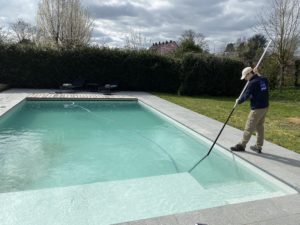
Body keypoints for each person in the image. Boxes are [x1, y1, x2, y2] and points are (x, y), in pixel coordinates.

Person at [230, 66, 269, 153]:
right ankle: (258, 146)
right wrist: (257, 73)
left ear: (249, 74)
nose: (245, 79)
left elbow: (246, 95)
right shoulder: (263, 79)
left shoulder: (252, 83)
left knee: (249, 127)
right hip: (265, 107)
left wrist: (238, 101)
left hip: (257, 108)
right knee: (259, 127)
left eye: (246, 77)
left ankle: (241, 145)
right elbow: (262, 78)